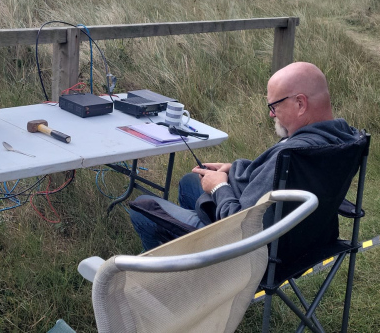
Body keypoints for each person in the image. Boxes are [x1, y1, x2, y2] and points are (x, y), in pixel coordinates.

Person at [130, 62, 360, 251]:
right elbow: (283, 177)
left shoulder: (293, 153)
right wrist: (235, 170)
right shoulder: (342, 140)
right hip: (304, 239)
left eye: (274, 106)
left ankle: (176, 275)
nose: (271, 115)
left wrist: (220, 188)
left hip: (249, 249)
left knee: (142, 208)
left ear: (300, 103)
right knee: (190, 182)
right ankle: (193, 250)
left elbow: (241, 226)